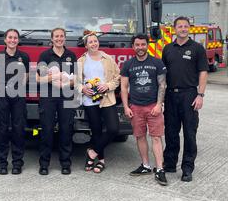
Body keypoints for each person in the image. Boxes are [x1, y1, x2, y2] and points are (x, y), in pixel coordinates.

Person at [162, 16, 208, 182]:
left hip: (189, 94)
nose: (183, 29)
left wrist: (200, 95)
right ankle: (169, 163)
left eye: (185, 26)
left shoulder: (197, 48)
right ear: (175, 29)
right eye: (180, 26)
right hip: (170, 95)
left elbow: (203, 72)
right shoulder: (167, 48)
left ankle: (187, 168)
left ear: (190, 28)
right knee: (171, 131)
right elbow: (162, 76)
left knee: (189, 133)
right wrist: (160, 98)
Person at [120, 34, 168, 186]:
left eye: (143, 44)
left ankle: (160, 169)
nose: (140, 47)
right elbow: (123, 87)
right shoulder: (128, 65)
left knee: (156, 137)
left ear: (147, 45)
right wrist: (126, 107)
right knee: (140, 137)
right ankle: (146, 166)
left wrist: (159, 104)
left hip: (153, 106)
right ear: (133, 47)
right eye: (137, 45)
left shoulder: (157, 62)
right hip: (136, 107)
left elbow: (162, 85)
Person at [76, 32, 120, 173]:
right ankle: (100, 160)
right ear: (86, 45)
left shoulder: (108, 58)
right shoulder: (81, 61)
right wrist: (82, 88)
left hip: (107, 98)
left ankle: (92, 152)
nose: (94, 44)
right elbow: (76, 82)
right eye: (91, 42)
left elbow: (118, 77)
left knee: (113, 129)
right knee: (96, 131)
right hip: (90, 100)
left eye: (95, 41)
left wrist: (108, 85)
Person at [36, 28, 77, 175]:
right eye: (56, 36)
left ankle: (65, 163)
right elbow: (38, 79)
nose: (59, 39)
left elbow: (76, 80)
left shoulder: (71, 56)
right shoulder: (45, 55)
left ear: (65, 38)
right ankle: (44, 164)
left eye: (62, 36)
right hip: (48, 97)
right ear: (52, 39)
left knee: (66, 130)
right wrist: (55, 77)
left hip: (67, 96)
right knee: (46, 130)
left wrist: (66, 83)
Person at [0, 29, 30, 175]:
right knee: (1, 129)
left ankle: (17, 163)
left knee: (18, 129)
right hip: (2, 96)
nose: (13, 40)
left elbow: (26, 76)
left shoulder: (23, 57)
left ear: (18, 40)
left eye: (15, 38)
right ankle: (2, 163)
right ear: (5, 40)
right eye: (10, 37)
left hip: (18, 96)